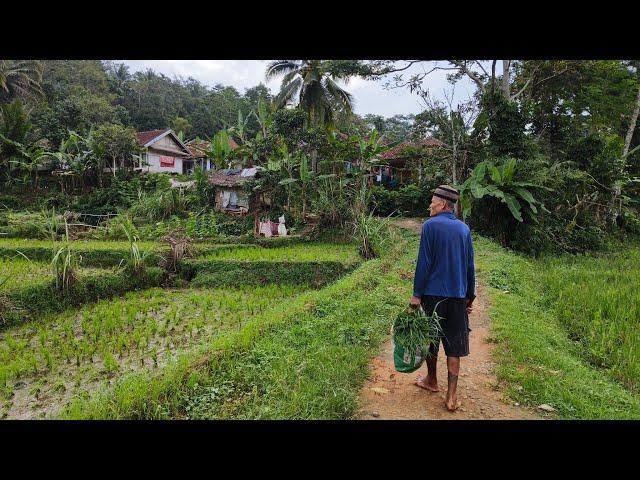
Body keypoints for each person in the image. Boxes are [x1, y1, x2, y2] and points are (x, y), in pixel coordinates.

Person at [409, 185, 475, 412]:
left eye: (433, 202)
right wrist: (470, 298)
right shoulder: (464, 230)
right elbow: (470, 267)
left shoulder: (430, 227)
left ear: (444, 205)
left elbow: (424, 264)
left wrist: (416, 295)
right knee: (454, 346)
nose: (430, 205)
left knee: (431, 341)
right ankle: (452, 396)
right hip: (457, 296)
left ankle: (432, 380)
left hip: (432, 296)